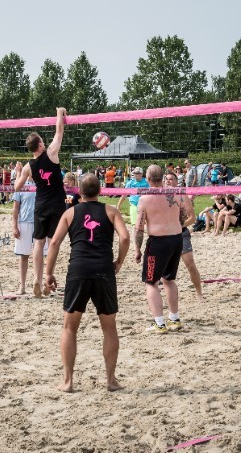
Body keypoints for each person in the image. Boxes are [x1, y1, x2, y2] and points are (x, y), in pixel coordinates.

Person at [44, 173, 130, 392]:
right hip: (103, 270)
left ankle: (68, 381)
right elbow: (125, 237)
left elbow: (54, 242)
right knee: (109, 328)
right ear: (100, 190)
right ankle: (110, 380)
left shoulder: (70, 213)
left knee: (69, 328)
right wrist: (119, 261)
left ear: (79, 192)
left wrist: (48, 273)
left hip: (79, 270)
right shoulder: (111, 211)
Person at [14, 107, 68, 298]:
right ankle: (47, 277)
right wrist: (60, 113)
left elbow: (17, 187)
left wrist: (19, 172)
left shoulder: (29, 166)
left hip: (41, 205)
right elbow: (59, 130)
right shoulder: (52, 152)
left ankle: (36, 278)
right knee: (53, 243)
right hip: (57, 205)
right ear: (41, 145)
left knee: (37, 243)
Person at [135, 164, 189, 333]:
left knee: (151, 282)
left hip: (158, 242)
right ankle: (174, 318)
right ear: (163, 177)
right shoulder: (175, 193)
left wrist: (137, 249)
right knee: (169, 279)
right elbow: (183, 216)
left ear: (148, 179)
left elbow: (139, 228)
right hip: (176, 239)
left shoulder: (145, 198)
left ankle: (159, 323)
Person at [164, 171, 204, 301]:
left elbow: (192, 218)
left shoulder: (182, 195)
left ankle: (199, 294)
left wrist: (179, 225)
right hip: (165, 234)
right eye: (167, 179)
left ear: (177, 182)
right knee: (162, 266)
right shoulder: (159, 195)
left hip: (181, 233)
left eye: (171, 179)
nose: (169, 181)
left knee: (190, 265)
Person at [12, 180, 48, 296]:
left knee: (40, 255)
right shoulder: (21, 185)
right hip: (24, 223)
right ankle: (22, 286)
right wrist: (14, 226)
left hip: (40, 222)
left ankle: (39, 283)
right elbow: (15, 208)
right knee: (24, 256)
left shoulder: (42, 184)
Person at [116, 166, 149, 235]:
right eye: (135, 173)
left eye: (138, 173)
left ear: (141, 174)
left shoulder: (146, 182)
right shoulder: (130, 183)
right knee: (135, 225)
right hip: (134, 205)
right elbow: (124, 195)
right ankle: (136, 242)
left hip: (145, 206)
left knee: (146, 224)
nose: (136, 175)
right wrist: (118, 205)